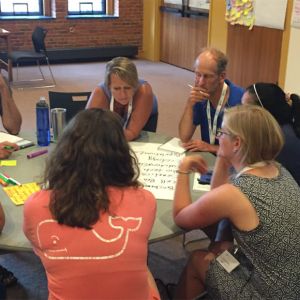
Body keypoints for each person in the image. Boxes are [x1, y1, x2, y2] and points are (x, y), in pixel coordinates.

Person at [23, 108, 160, 300]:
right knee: (142, 266)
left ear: (64, 153)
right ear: (122, 155)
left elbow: (39, 248)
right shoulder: (145, 200)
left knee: (59, 268)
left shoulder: (36, 206)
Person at [173, 105, 300, 299]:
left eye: (222, 132)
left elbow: (181, 217)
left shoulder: (236, 192)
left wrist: (183, 169)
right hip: (290, 283)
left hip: (267, 294)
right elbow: (213, 203)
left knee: (198, 259)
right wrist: (224, 158)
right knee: (220, 247)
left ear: (237, 143)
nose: (217, 137)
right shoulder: (279, 170)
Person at [179, 47, 244, 154]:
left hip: (234, 164)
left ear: (222, 76)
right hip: (211, 159)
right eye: (198, 75)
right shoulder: (200, 96)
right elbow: (184, 137)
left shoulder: (240, 100)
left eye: (207, 76)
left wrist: (211, 147)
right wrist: (190, 104)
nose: (200, 83)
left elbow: (246, 150)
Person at [86, 57, 158, 141]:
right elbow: (87, 131)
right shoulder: (100, 92)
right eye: (116, 88)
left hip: (144, 127)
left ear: (135, 84)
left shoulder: (144, 91)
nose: (123, 95)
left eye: (127, 88)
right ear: (109, 86)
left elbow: (132, 133)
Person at [242, 82, 300, 185]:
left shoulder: (279, 140)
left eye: (246, 109)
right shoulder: (283, 129)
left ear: (263, 112)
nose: (241, 114)